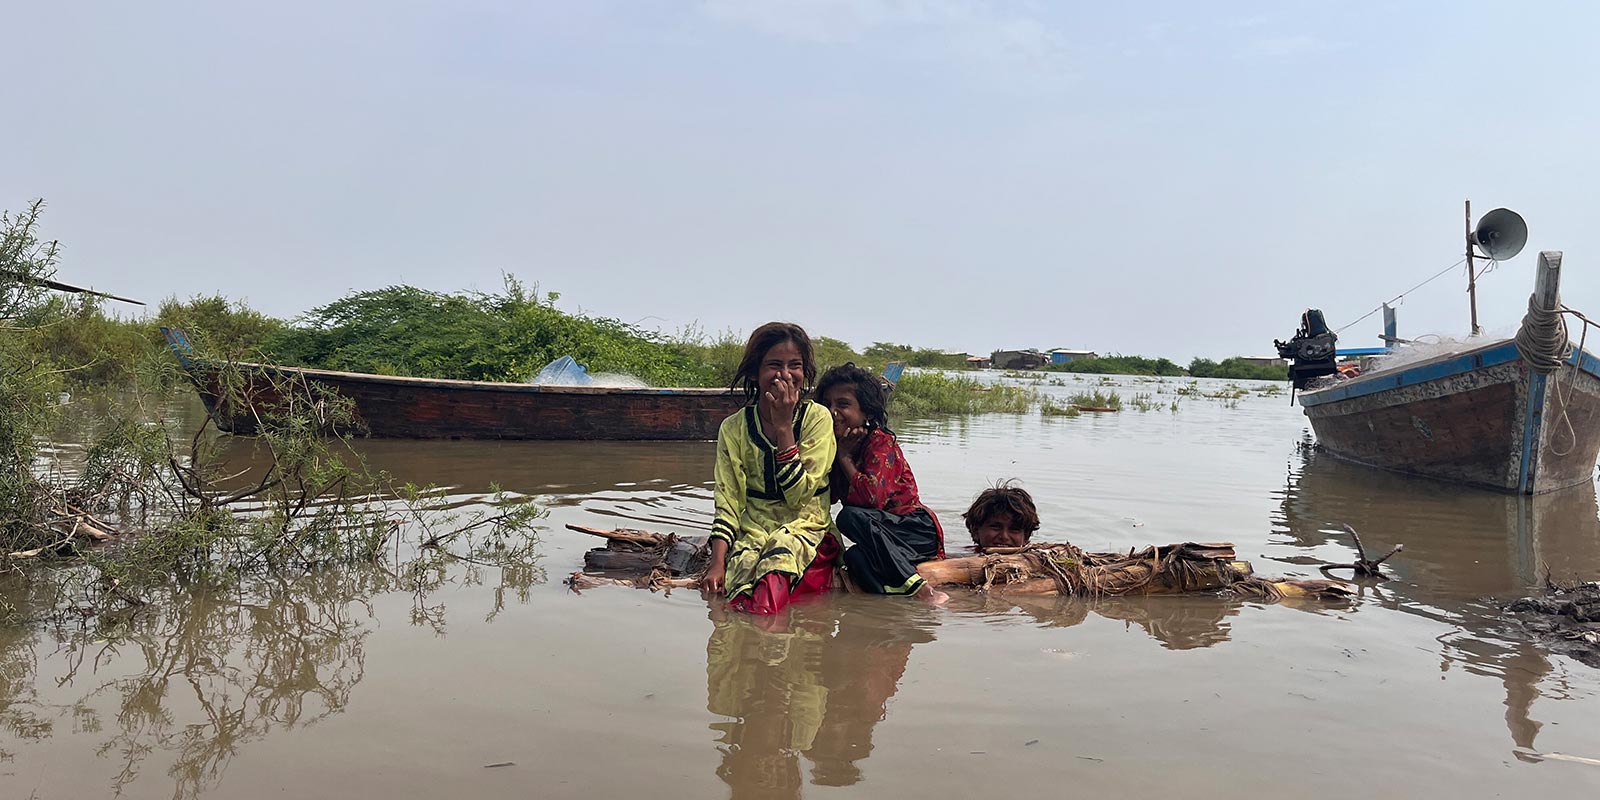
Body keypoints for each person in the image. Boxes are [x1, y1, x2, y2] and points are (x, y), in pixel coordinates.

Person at [703, 322, 839, 615]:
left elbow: (799, 496)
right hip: (754, 529)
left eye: (795, 366)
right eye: (774, 365)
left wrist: (783, 426)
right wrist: (717, 563)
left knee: (775, 571)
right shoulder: (734, 428)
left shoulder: (818, 419)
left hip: (807, 527)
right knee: (737, 592)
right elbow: (728, 501)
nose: (785, 375)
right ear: (755, 372)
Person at [816, 363, 948, 604]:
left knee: (848, 517)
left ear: (866, 412)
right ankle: (892, 607)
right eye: (827, 405)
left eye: (843, 404)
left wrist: (844, 458)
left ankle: (921, 589)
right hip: (884, 539)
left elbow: (872, 500)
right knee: (854, 557)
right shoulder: (835, 445)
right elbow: (828, 495)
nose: (832, 412)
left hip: (915, 531)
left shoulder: (879, 442)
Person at [961, 483, 1040, 551]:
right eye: (995, 527)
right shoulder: (959, 559)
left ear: (1026, 537)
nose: (1004, 537)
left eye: (1014, 529)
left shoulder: (1039, 562)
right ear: (975, 531)